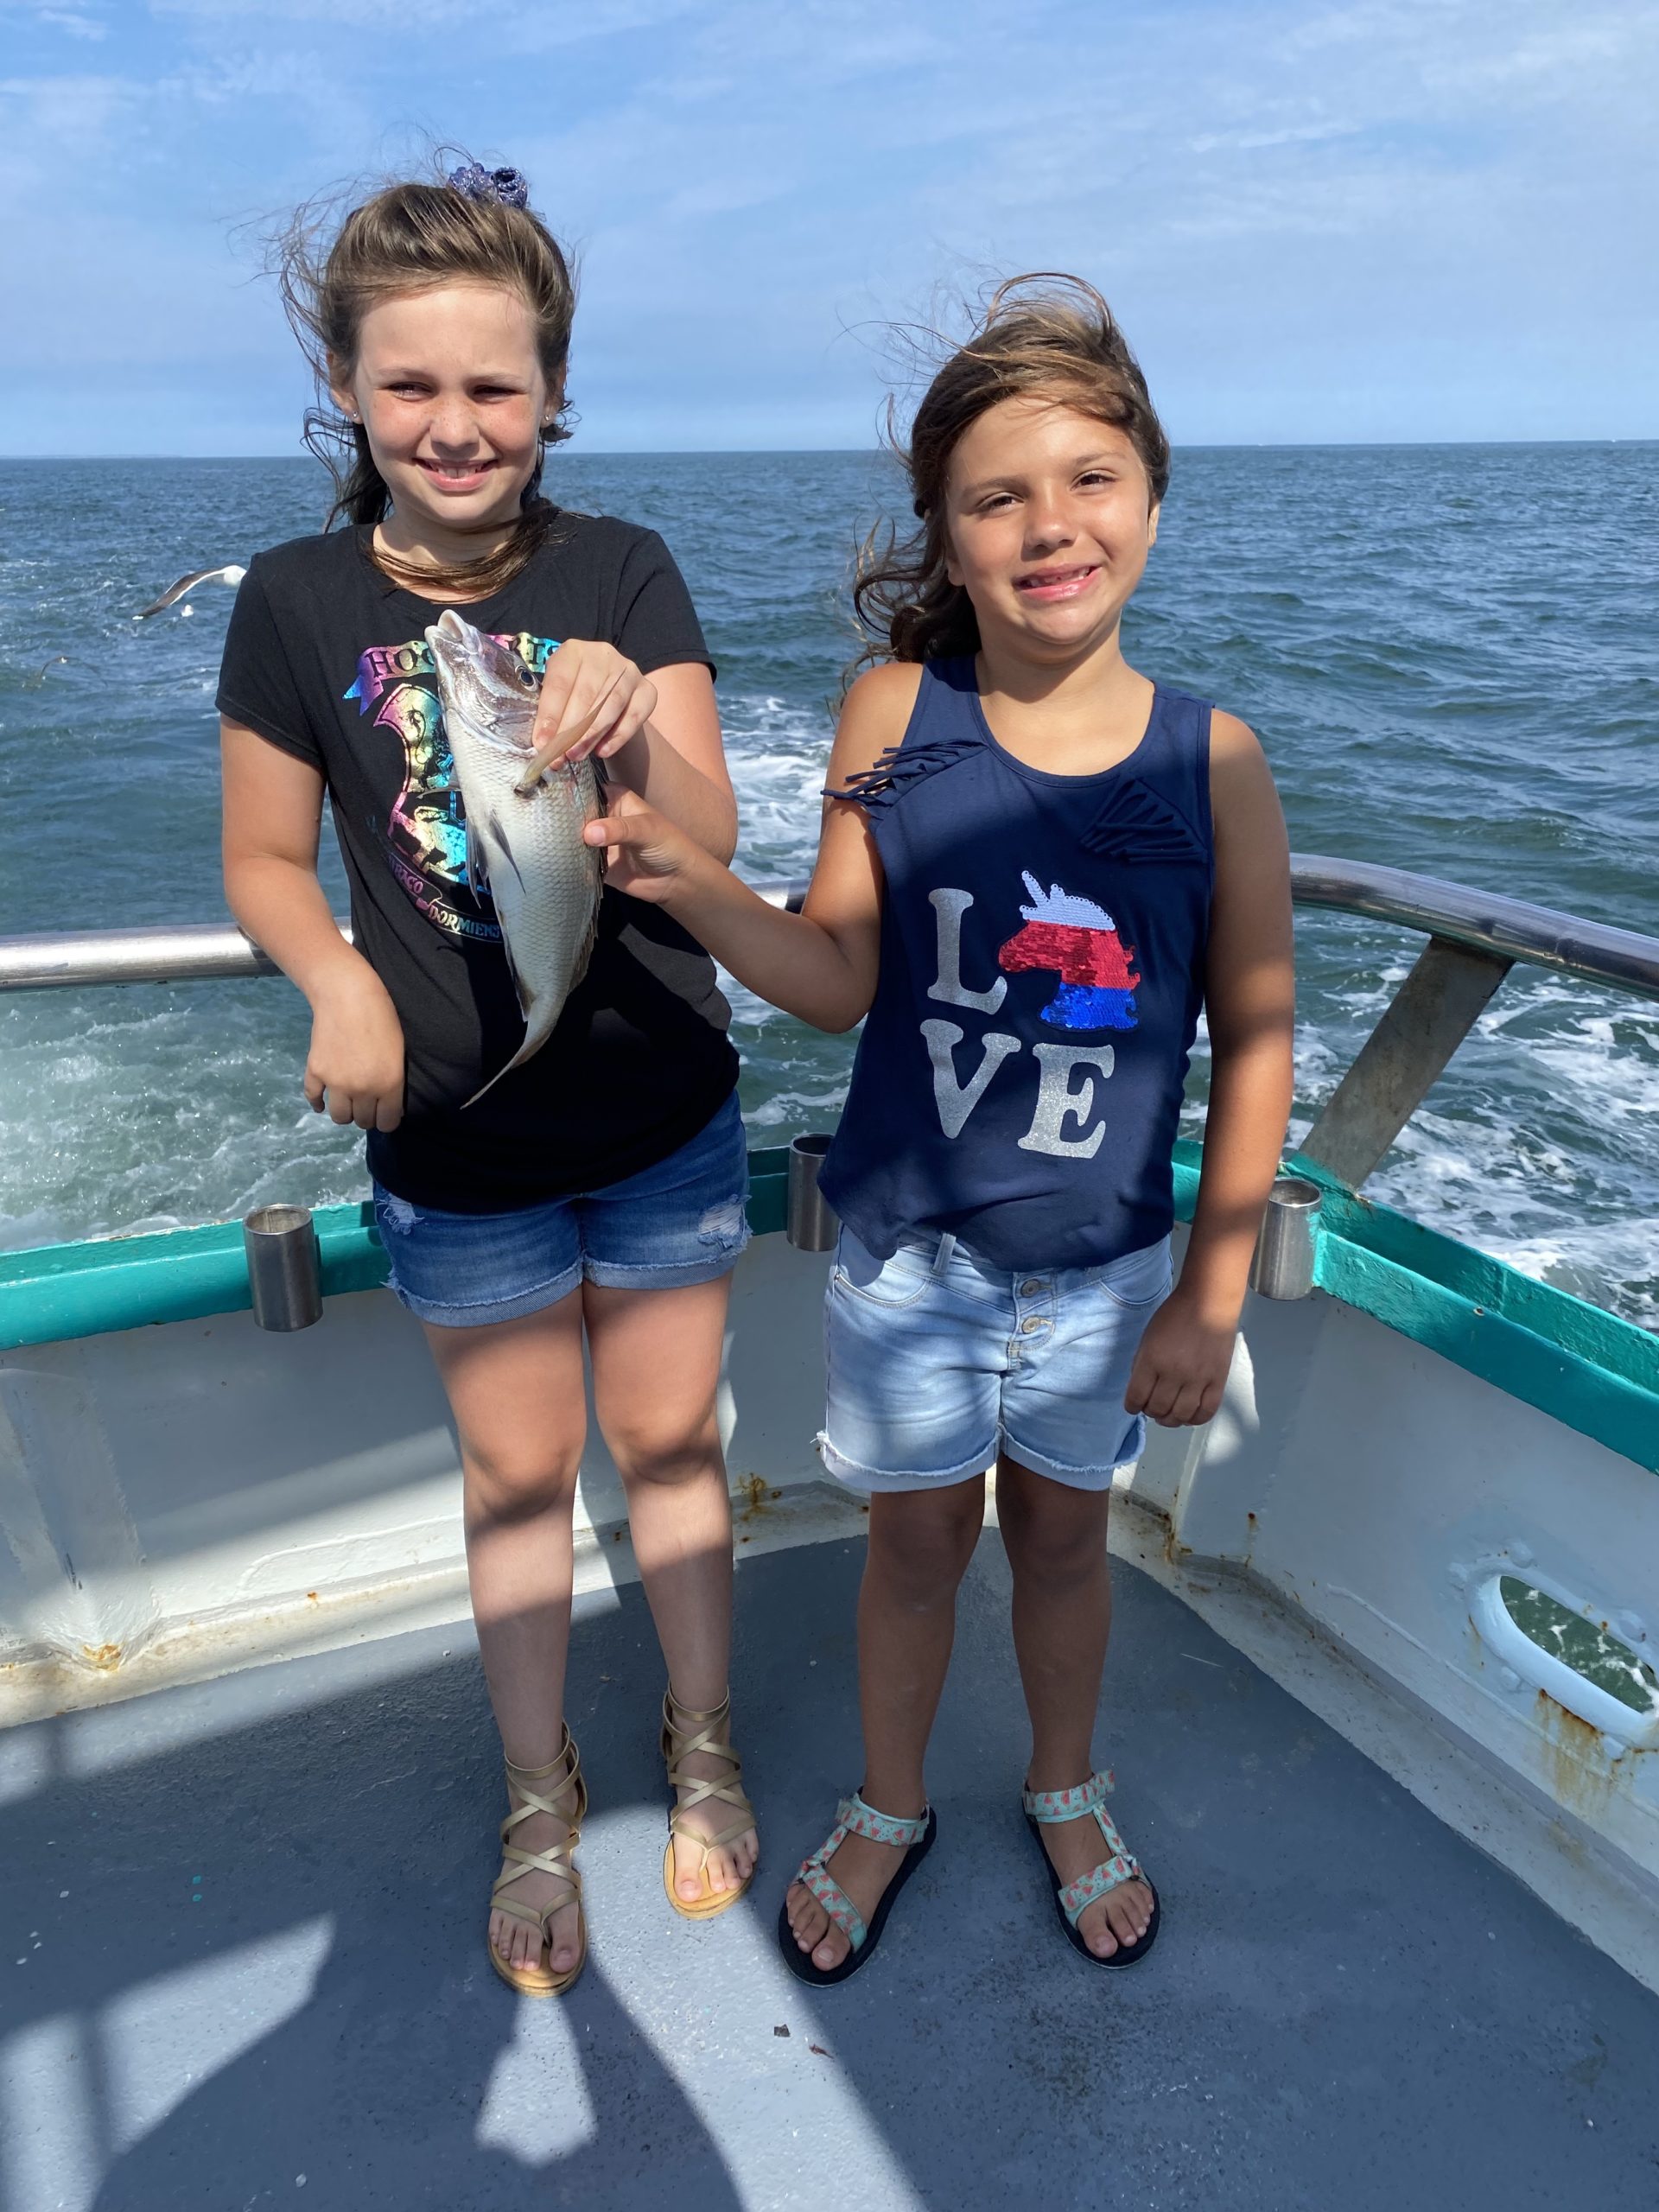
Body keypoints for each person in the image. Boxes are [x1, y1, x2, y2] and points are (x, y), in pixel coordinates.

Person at [582, 276, 1296, 1982]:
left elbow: (1258, 1033)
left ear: (1151, 493)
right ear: (948, 534)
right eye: (998, 496)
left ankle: (1064, 1776)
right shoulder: (894, 718)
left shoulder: (1222, 761)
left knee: (1065, 1539)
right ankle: (888, 1799)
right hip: (910, 1255)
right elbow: (833, 973)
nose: (1051, 525)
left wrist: (1212, 1291)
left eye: (1089, 479)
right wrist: (693, 885)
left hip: (1109, 1265)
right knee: (911, 1543)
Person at [218, 161, 760, 1999]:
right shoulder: (294, 603)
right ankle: (540, 1786)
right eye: (412, 388)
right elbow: (264, 858)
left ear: (552, 395)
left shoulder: (622, 573)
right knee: (518, 1476)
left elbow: (710, 838)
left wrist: (630, 727)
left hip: (664, 1104)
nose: (457, 427)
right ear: (350, 394)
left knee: (675, 1443)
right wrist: (332, 979)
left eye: (496, 389)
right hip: (458, 1140)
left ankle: (703, 1729)